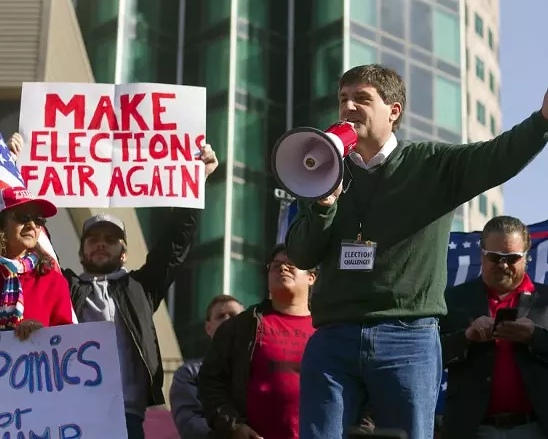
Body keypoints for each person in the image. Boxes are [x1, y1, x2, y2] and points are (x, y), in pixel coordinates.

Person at [285, 64, 548, 439]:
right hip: (333, 339)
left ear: (394, 111)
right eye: (343, 99)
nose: (348, 107)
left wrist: (545, 119)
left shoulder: (433, 164)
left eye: (362, 98)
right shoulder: (323, 168)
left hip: (407, 340)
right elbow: (301, 255)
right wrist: (324, 207)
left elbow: (498, 156)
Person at [9, 136, 220, 439]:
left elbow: (174, 245)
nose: (101, 245)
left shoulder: (141, 287)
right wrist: (17, 170)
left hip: (127, 414)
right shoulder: (65, 285)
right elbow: (39, 240)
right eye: (93, 239)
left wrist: (196, 181)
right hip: (71, 412)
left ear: (123, 253)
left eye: (110, 240)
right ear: (81, 251)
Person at [439, 215, 548, 439]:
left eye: (512, 258)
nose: (503, 265)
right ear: (481, 254)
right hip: (471, 429)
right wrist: (466, 337)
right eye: (495, 257)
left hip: (536, 428)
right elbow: (429, 358)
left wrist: (535, 337)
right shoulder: (453, 299)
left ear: (526, 257)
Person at [198, 244, 317, 439]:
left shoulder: (329, 331)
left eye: (290, 263)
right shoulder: (239, 328)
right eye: (275, 265)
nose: (282, 268)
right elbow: (210, 383)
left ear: (311, 277)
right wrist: (234, 427)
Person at [0, 185, 74, 339]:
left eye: (38, 220)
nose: (32, 225)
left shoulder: (53, 281)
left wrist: (44, 335)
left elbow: (67, 342)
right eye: (22, 217)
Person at [170, 294, 244, 439]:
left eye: (234, 315)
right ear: (208, 328)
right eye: (220, 316)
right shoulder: (188, 374)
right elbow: (190, 422)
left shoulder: (261, 369)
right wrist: (234, 432)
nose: (227, 320)